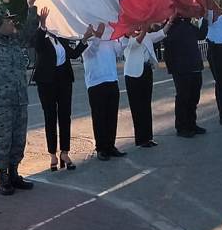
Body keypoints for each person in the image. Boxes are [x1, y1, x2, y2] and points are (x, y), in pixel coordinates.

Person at [0, 0, 39, 195]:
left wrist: (31, 7)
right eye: (8, 20)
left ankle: (14, 173)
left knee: (18, 138)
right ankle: (3, 177)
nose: (11, 23)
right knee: (2, 139)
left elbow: (29, 30)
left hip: (19, 99)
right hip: (1, 101)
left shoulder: (16, 42)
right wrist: (4, 2)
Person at [33, 9, 90, 170]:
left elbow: (72, 54)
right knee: (50, 117)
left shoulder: (61, 37)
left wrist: (85, 38)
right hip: (46, 82)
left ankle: (64, 152)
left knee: (65, 116)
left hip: (64, 80)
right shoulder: (41, 37)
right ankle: (52, 154)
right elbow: (36, 45)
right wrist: (42, 25)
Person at [121, 19, 173, 147]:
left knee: (146, 105)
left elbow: (161, 33)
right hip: (133, 75)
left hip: (146, 71)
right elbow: (136, 43)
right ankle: (141, 139)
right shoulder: (126, 40)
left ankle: (148, 137)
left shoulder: (147, 36)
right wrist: (143, 29)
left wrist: (170, 21)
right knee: (137, 107)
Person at [82, 23, 127, 161]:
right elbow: (89, 53)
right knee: (99, 116)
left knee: (112, 115)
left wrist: (126, 35)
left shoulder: (110, 37)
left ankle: (110, 145)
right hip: (95, 83)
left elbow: (119, 51)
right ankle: (101, 148)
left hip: (111, 79)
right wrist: (96, 37)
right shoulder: (85, 39)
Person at [164, 15, 209, 137]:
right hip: (180, 69)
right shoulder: (171, 26)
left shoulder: (189, 25)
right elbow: (167, 44)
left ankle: (191, 123)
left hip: (194, 66)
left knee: (194, 97)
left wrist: (203, 19)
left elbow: (201, 35)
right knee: (183, 97)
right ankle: (181, 127)